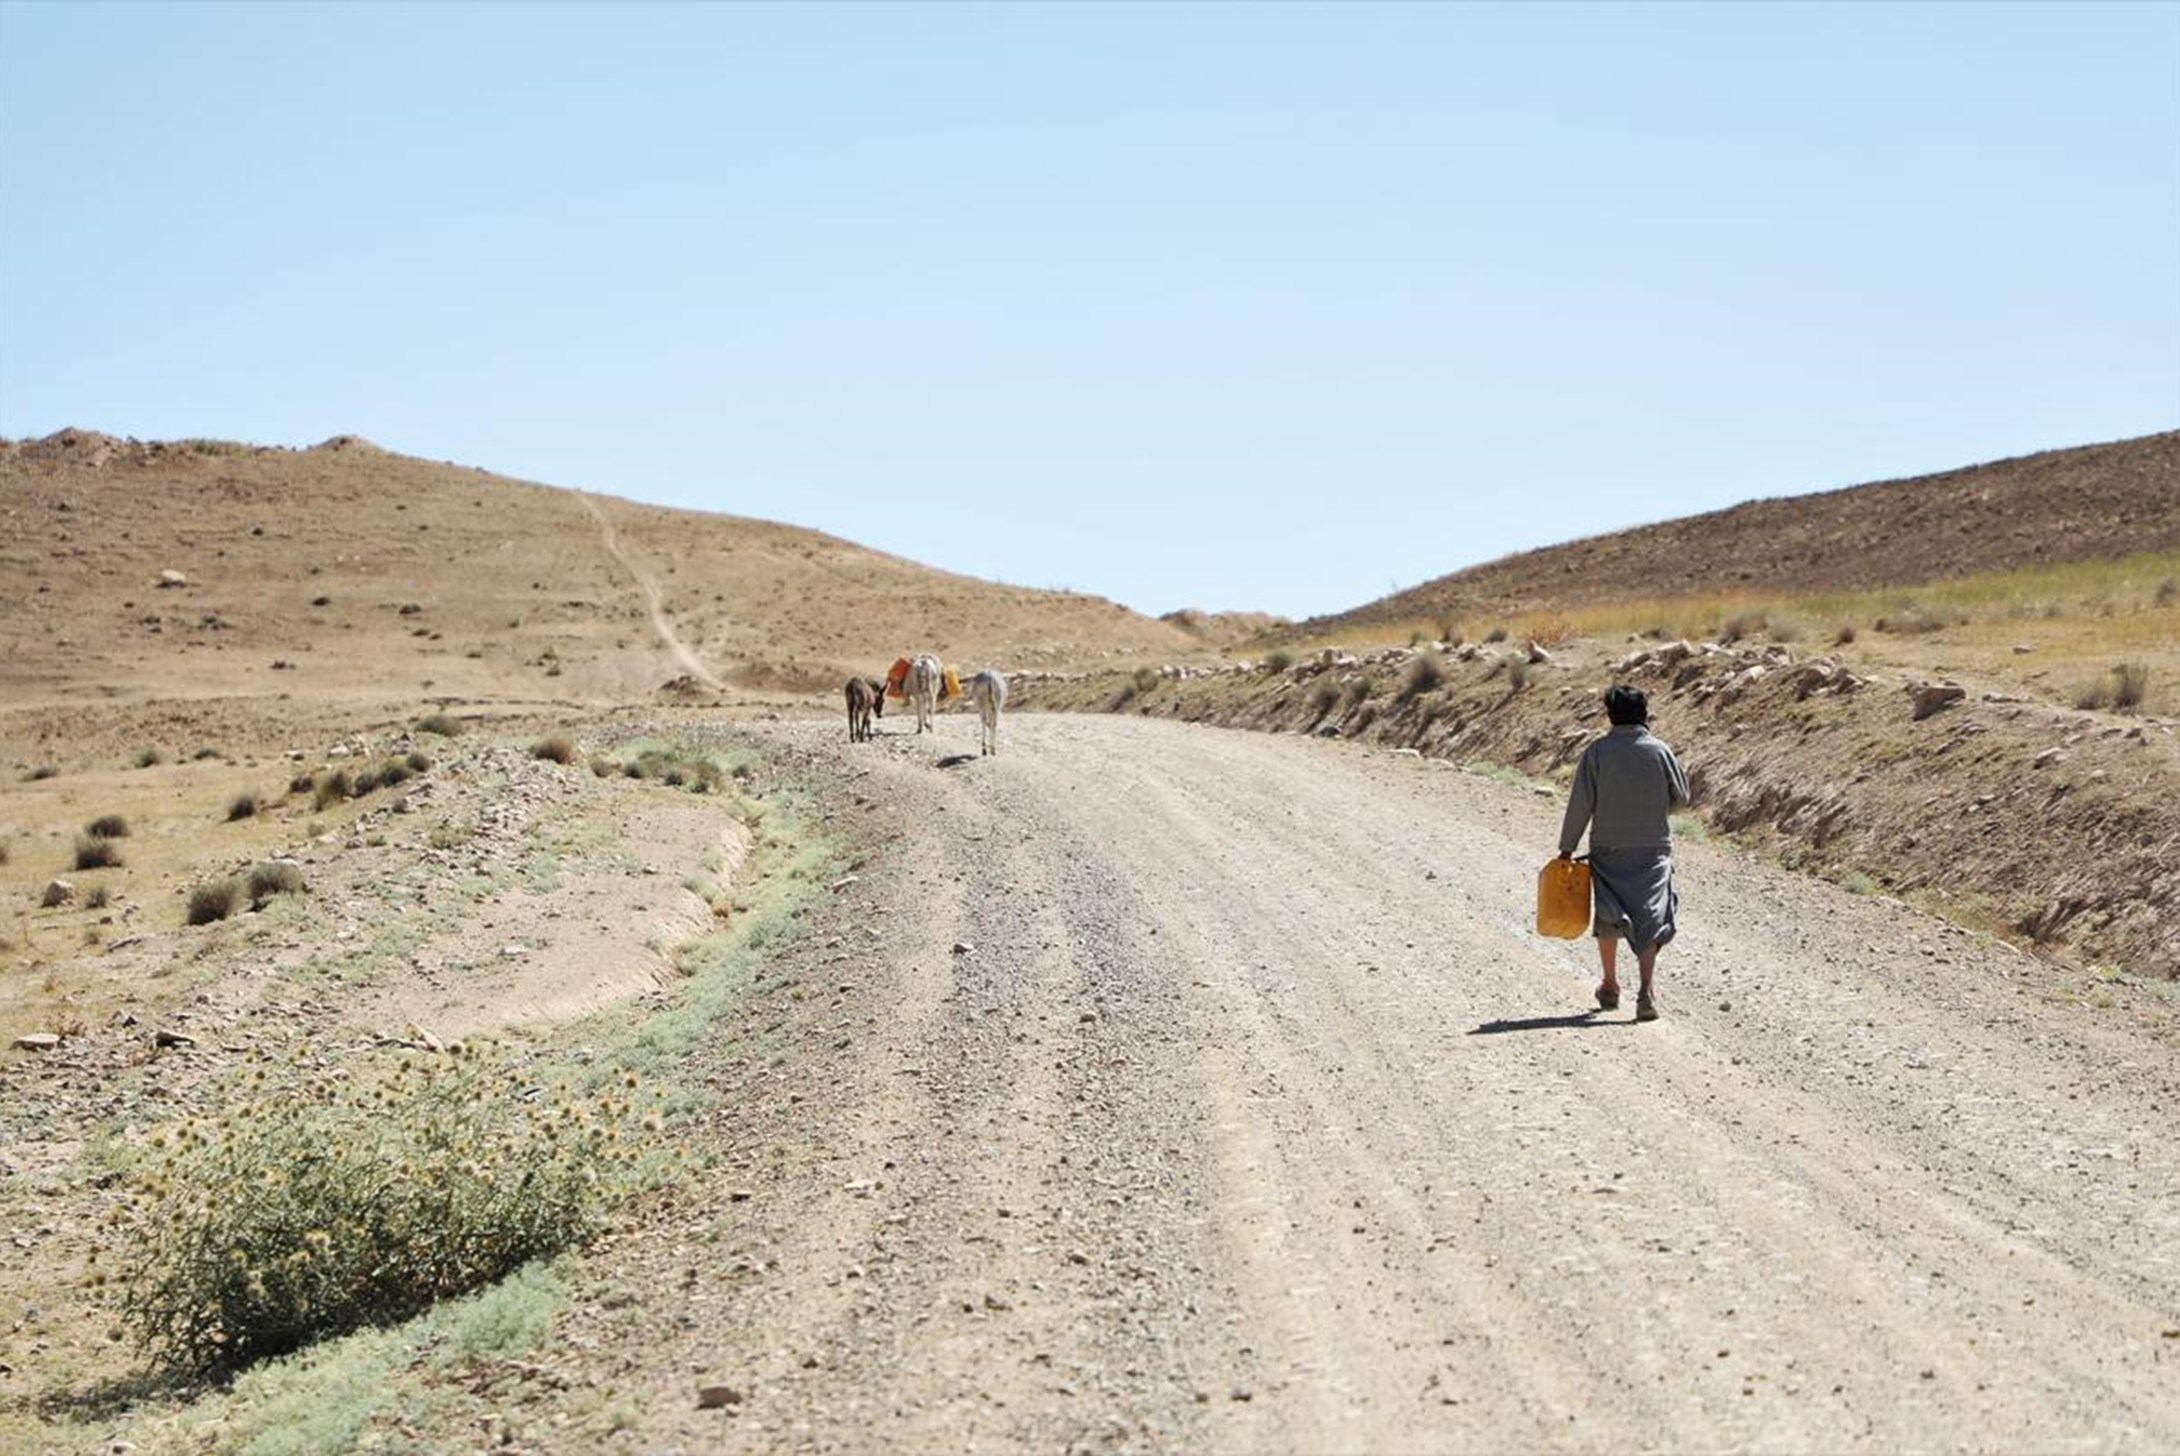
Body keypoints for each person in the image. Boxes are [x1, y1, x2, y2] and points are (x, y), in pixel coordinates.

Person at [1557, 684, 1691, 1022]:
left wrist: (1567, 849)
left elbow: (1581, 803)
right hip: (1653, 848)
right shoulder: (1660, 751)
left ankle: (1611, 985)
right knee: (1651, 918)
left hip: (1608, 848)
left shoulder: (1598, 752)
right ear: (1644, 714)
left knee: (1608, 916)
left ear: (1611, 715)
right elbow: (1681, 799)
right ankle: (1646, 992)